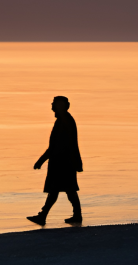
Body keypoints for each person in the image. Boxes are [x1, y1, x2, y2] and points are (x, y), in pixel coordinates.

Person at [27, 96, 83, 225]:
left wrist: (41, 160)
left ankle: (44, 216)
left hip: (62, 162)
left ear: (61, 106)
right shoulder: (64, 120)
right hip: (64, 161)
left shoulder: (64, 121)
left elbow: (57, 145)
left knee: (61, 189)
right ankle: (46, 215)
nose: (52, 106)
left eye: (55, 104)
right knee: (63, 190)